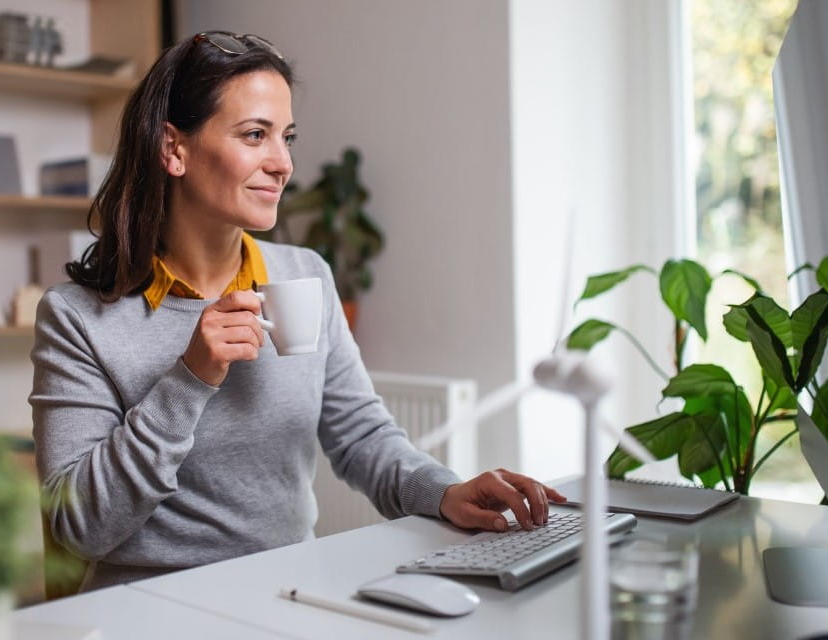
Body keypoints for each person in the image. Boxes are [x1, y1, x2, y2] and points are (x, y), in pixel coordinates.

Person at [30, 31, 565, 592]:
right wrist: (187, 380)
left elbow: (361, 437)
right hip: (152, 606)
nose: (282, 163)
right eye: (254, 135)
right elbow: (79, 527)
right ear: (174, 149)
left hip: (289, 592)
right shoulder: (76, 318)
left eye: (286, 137)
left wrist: (444, 492)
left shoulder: (303, 275)